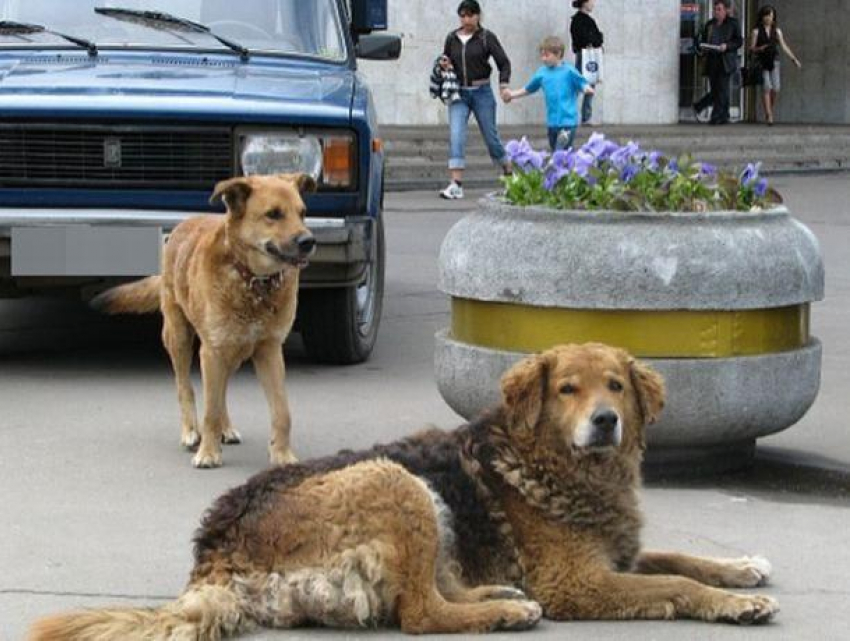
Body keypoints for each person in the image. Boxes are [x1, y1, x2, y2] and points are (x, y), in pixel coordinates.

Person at [438, 0, 512, 200]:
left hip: (482, 91)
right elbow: (446, 58)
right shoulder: (452, 38)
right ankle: (456, 184)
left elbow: (503, 63)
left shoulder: (487, 38)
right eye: (462, 15)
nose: (466, 19)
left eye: (470, 15)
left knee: (491, 137)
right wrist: (444, 64)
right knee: (456, 135)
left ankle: (509, 176)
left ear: (478, 16)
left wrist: (504, 85)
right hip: (458, 93)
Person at [504, 36, 594, 151]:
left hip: (568, 121)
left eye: (547, 55)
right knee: (556, 151)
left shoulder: (569, 71)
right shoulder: (542, 73)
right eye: (542, 55)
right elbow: (529, 88)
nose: (543, 59)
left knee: (560, 152)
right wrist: (512, 94)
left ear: (558, 54)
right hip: (552, 122)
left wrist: (586, 88)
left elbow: (581, 82)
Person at [749, 5, 801, 126]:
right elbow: (751, 48)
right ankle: (770, 115)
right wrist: (759, 48)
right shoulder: (756, 31)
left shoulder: (777, 31)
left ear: (773, 17)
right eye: (766, 15)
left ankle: (769, 110)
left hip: (774, 60)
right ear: (762, 17)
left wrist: (794, 59)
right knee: (767, 87)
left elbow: (784, 46)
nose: (768, 18)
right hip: (762, 61)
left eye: (770, 15)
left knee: (776, 88)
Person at [693, 0, 742, 125]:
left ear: (726, 10)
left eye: (719, 9)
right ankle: (723, 115)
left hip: (725, 60)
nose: (716, 12)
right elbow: (704, 40)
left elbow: (739, 41)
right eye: (715, 9)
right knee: (717, 90)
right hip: (712, 60)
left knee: (722, 89)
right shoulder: (710, 24)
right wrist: (703, 46)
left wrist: (727, 46)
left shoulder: (733, 24)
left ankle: (716, 116)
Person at [569, 0, 603, 125]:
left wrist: (594, 40)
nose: (593, 4)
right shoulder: (577, 20)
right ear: (584, 3)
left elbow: (599, 38)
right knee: (579, 84)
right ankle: (570, 114)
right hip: (583, 55)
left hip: (590, 55)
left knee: (590, 84)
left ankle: (586, 116)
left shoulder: (589, 20)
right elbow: (582, 39)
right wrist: (593, 40)